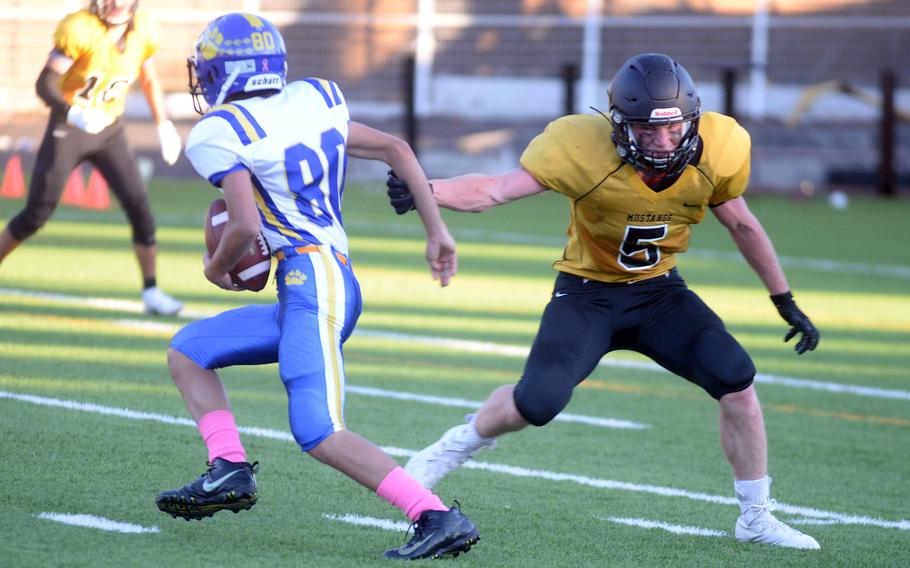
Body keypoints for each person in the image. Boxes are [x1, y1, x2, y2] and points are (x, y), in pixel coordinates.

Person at [385, 53, 821, 550]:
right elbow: (496, 190)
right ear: (618, 125)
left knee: (736, 377)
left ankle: (756, 516)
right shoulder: (580, 147)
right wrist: (427, 188)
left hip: (660, 292)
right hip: (587, 294)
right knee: (537, 402)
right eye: (647, 131)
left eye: (674, 129)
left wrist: (782, 298)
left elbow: (741, 222)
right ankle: (453, 448)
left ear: (692, 120)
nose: (662, 142)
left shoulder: (722, 147)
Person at [153, 13, 479, 561]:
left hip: (312, 282)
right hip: (319, 282)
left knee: (318, 430)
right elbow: (398, 149)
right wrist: (437, 231)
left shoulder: (219, 130)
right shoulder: (313, 98)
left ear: (223, 74)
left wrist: (214, 269)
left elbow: (244, 227)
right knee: (189, 351)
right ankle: (228, 468)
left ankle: (436, 515)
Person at [0, 0, 183, 316]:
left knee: (139, 206)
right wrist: (73, 112)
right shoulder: (80, 29)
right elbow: (44, 83)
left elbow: (149, 77)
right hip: (70, 126)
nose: (115, 4)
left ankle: (151, 290)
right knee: (36, 213)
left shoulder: (143, 31)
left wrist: (163, 124)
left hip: (110, 129)